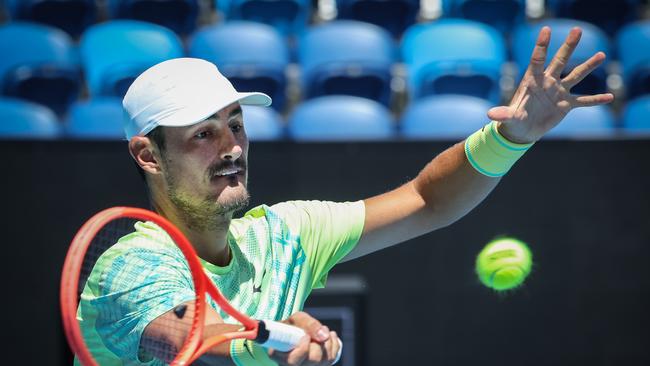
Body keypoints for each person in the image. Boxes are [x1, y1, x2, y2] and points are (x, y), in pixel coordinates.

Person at [78, 26, 612, 366]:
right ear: (148, 156)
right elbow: (188, 341)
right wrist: (274, 337)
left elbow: (427, 201)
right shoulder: (129, 269)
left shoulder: (285, 236)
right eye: (202, 134)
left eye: (235, 124)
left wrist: (509, 138)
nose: (231, 147)